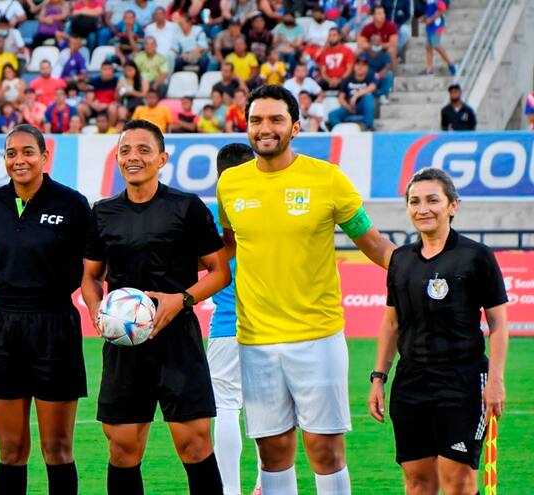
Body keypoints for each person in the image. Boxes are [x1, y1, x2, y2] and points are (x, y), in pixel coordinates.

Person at [215, 85, 395, 495]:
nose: (265, 128)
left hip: (318, 337)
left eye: (276, 119)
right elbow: (228, 246)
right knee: (273, 451)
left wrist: (421, 268)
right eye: (256, 120)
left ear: (295, 127)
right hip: (255, 340)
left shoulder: (327, 178)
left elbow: (372, 242)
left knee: (324, 450)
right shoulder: (231, 184)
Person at [81, 119, 232, 495]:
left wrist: (182, 299)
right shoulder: (102, 212)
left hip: (178, 340)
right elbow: (90, 277)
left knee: (195, 444)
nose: (133, 157)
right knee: (123, 449)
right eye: (125, 150)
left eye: (143, 150)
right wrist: (97, 310)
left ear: (162, 159)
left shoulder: (186, 207)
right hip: (124, 344)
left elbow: (219, 272)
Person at [367, 167, 508, 495]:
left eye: (433, 200)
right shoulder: (400, 260)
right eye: (414, 201)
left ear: (452, 206)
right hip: (411, 382)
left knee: (458, 482)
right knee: (418, 483)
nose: (423, 209)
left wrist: (496, 381)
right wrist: (378, 378)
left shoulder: (476, 256)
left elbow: (498, 324)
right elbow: (392, 323)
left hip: (462, 380)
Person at [0, 124, 90, 495]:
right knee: (11, 450)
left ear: (44, 156)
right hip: (3, 328)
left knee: (57, 449)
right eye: (11, 153)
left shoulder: (71, 204)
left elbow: (94, 267)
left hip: (56, 326)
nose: (19, 160)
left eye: (27, 152)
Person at [208, 143, 262, 495]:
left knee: (226, 407)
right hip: (269, 327)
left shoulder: (211, 215)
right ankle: (265, 483)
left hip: (226, 325)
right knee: (267, 408)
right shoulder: (265, 208)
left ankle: (229, 489)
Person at [328, 57, 377, 131]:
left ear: (367, 68)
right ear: (354, 67)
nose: (360, 67)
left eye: (363, 65)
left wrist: (356, 96)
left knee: (368, 96)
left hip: (362, 107)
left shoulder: (370, 76)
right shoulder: (347, 79)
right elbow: (341, 97)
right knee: (332, 115)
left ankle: (369, 126)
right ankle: (343, 130)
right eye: (358, 65)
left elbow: (372, 87)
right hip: (349, 107)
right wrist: (347, 106)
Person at [421, 0, 455, 76]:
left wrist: (431, 19)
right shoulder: (428, 2)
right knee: (428, 47)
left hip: (437, 25)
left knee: (436, 45)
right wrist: (424, 18)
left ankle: (451, 64)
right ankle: (429, 69)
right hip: (430, 26)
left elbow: (442, 9)